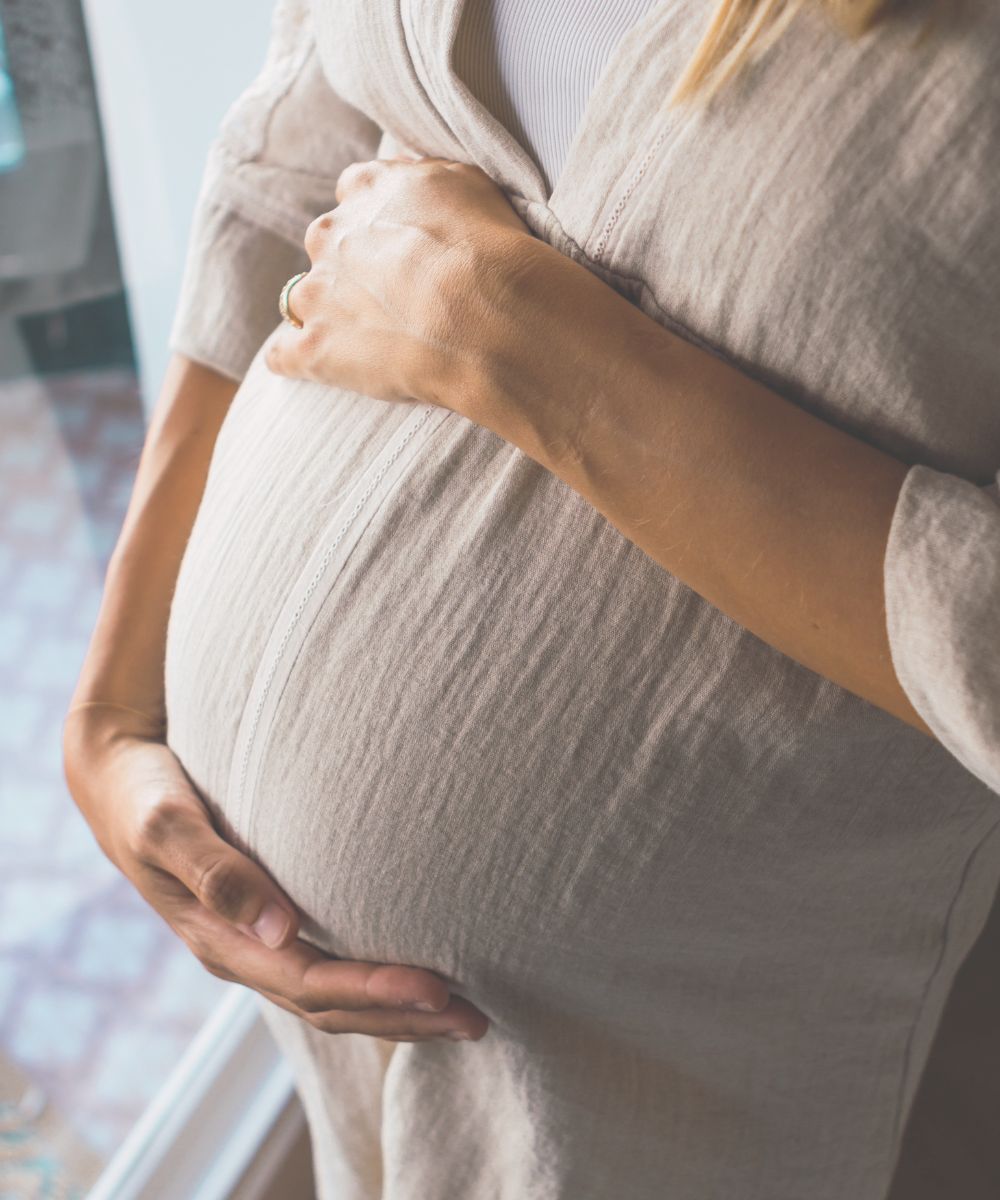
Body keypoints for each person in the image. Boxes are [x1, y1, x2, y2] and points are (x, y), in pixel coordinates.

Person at [63, 0, 1000, 1196]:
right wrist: (113, 708)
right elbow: (304, 130)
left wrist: (510, 341)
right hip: (326, 1023)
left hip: (670, 1092)